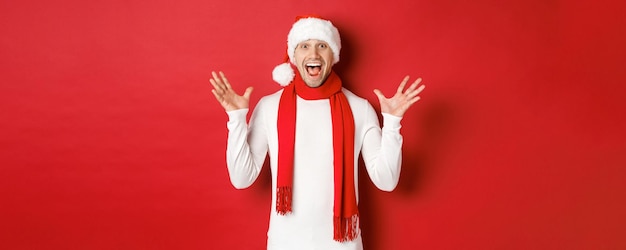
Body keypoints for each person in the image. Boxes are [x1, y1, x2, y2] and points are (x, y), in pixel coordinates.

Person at [209, 16, 425, 250]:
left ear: (333, 55)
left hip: (343, 246)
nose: (313, 54)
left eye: (322, 45)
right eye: (304, 46)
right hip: (284, 244)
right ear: (294, 56)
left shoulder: (359, 108)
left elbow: (387, 181)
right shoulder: (269, 107)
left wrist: (392, 122)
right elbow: (242, 179)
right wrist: (236, 118)